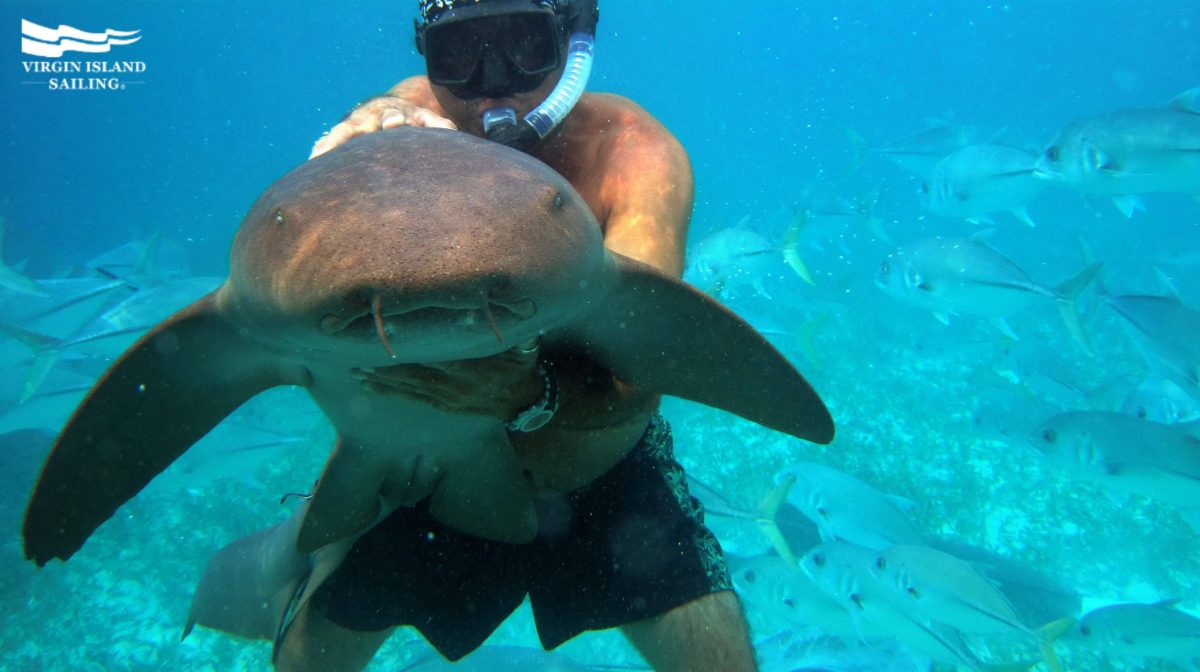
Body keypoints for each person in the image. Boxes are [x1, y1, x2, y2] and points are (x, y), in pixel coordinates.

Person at [275, 1, 759, 670]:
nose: (493, 85)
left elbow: (638, 372)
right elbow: (392, 107)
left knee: (721, 656)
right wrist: (368, 127)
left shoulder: (634, 157)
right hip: (432, 472)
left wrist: (527, 393)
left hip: (602, 468)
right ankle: (307, 553)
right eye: (459, 54)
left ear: (573, 40)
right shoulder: (419, 118)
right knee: (305, 660)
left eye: (523, 45)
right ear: (426, 57)